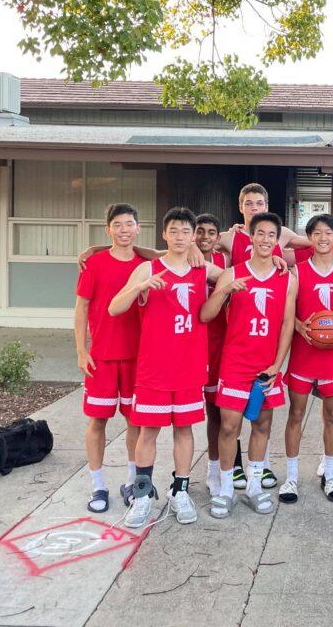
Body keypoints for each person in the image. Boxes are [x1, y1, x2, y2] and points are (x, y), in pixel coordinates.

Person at [108, 207, 226, 528]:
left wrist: (277, 262)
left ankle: (180, 490)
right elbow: (115, 307)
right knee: (149, 431)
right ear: (164, 234)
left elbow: (236, 275)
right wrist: (139, 288)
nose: (179, 236)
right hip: (154, 368)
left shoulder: (204, 270)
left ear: (192, 237)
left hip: (188, 366)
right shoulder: (148, 269)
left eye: (185, 232)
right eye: (173, 231)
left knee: (184, 430)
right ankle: (143, 494)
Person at [201, 212, 297, 519]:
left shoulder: (287, 278)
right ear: (251, 238)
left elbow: (286, 325)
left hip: (265, 367)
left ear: (277, 240)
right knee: (229, 426)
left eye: (272, 235)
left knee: (262, 424)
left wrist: (277, 364)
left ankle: (255, 487)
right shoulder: (232, 274)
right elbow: (206, 314)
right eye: (261, 234)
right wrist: (225, 291)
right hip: (235, 364)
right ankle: (226, 488)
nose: (266, 240)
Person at [281, 213, 333, 503]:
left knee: (332, 414)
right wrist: (303, 328)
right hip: (304, 353)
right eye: (317, 233)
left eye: (329, 233)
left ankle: (329, 474)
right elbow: (289, 315)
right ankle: (290, 477)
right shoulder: (297, 272)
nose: (323, 238)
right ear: (310, 238)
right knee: (296, 414)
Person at [74, 203, 144, 514]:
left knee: (135, 421)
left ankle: (131, 481)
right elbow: (81, 308)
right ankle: (98, 485)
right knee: (97, 420)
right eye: (118, 225)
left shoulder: (146, 264)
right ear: (109, 229)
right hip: (101, 357)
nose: (124, 230)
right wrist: (80, 349)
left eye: (129, 224)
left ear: (138, 228)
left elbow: (162, 253)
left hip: (136, 357)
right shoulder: (96, 264)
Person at [195, 213, 229, 498]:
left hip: (217, 343)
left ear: (219, 238)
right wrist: (95, 248)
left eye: (211, 232)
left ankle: (213, 469)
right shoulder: (178, 257)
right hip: (186, 344)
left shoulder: (225, 263)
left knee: (214, 411)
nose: (205, 237)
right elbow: (149, 253)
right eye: (200, 231)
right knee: (177, 416)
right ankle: (178, 474)